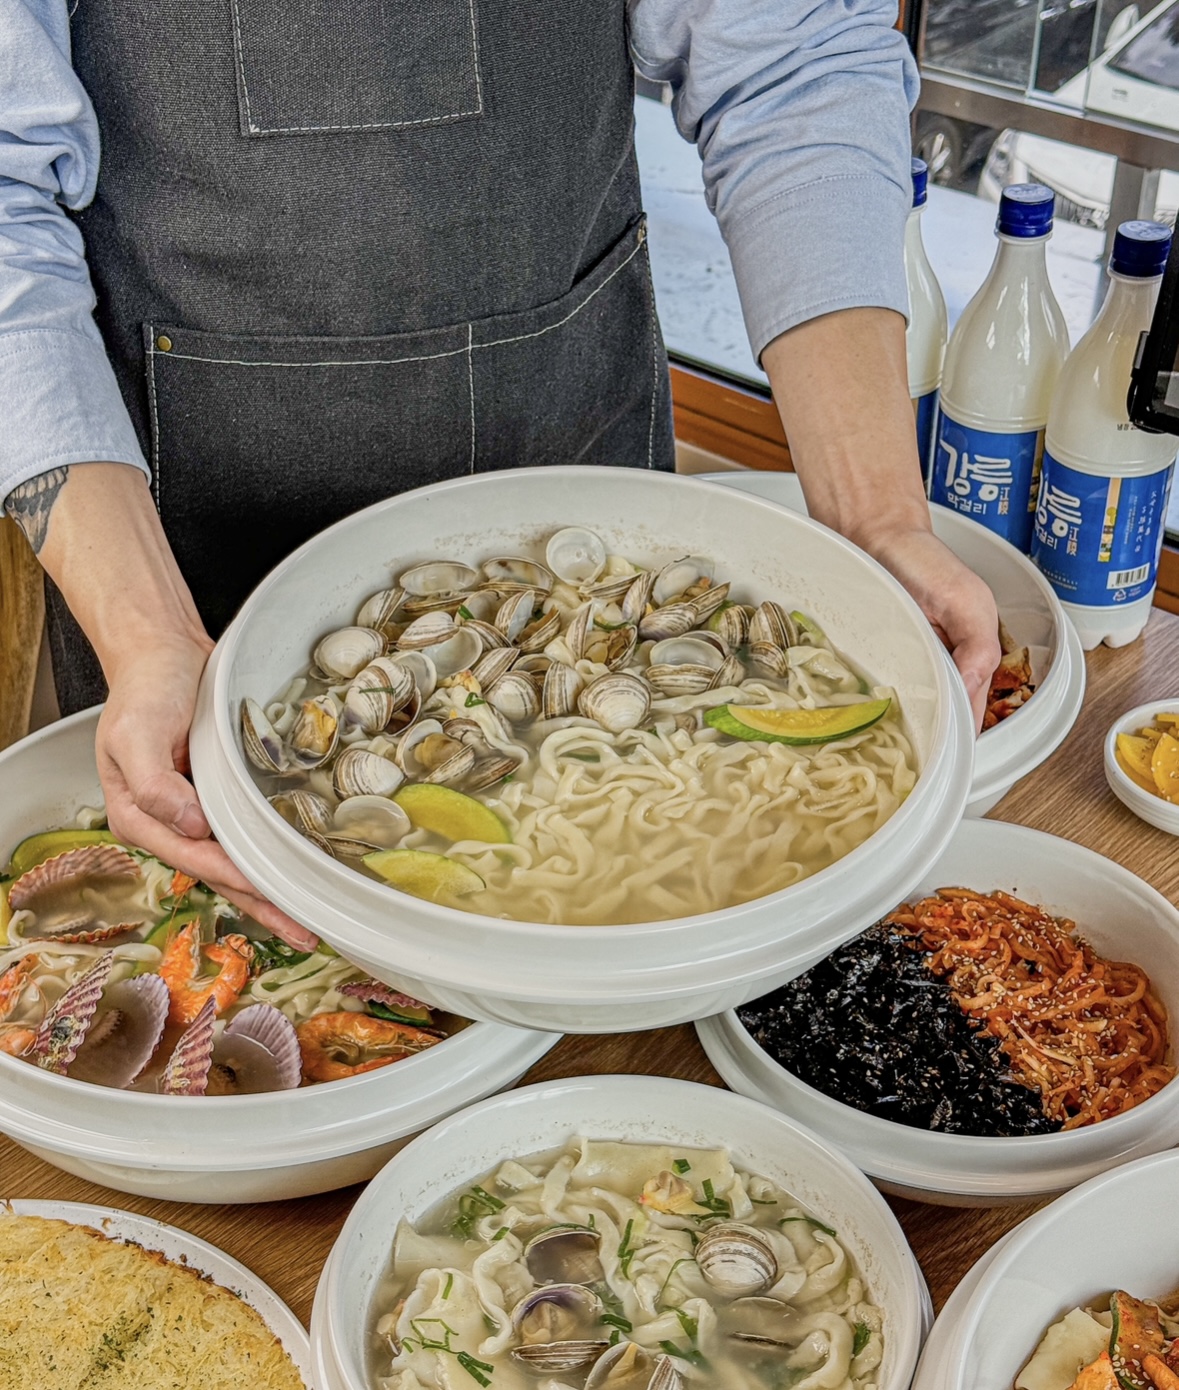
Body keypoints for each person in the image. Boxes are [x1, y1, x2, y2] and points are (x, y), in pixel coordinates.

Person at [1, 0, 998, 946]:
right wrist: (148, 636)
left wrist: (874, 519)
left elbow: (792, 65)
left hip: (592, 513)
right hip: (188, 554)